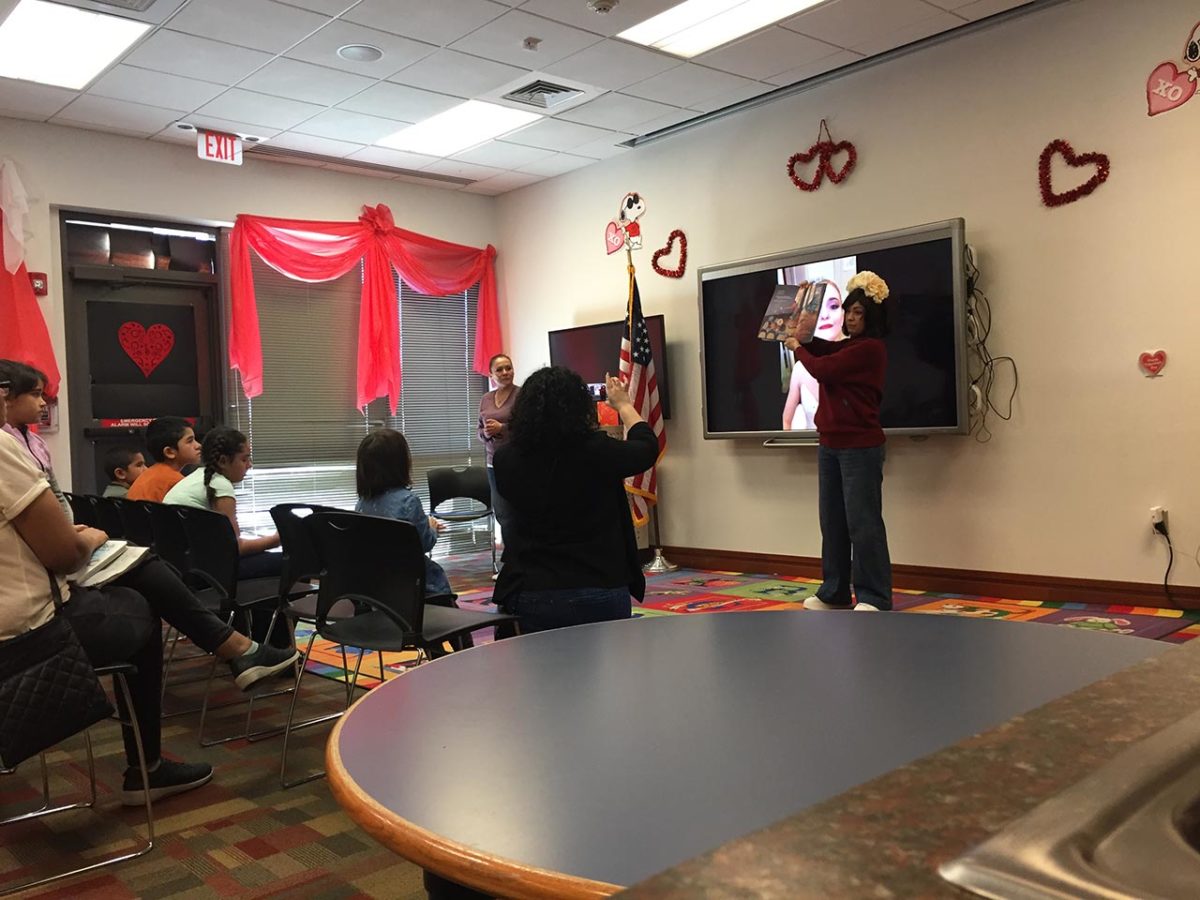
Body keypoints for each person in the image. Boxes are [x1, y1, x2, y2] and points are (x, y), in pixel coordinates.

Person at [0, 379, 295, 805]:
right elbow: (63, 555)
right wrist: (89, 537)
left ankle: (234, 647)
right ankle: (148, 765)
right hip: (26, 633)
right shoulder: (5, 450)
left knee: (140, 572)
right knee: (140, 604)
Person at [492, 367, 660, 633]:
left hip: (529, 586)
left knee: (536, 660)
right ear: (580, 407)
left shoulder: (505, 459)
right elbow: (647, 447)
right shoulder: (598, 451)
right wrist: (624, 406)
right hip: (598, 582)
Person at [788, 272, 893, 612]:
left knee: (863, 523)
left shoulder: (871, 349)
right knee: (832, 522)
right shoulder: (848, 346)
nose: (850, 318)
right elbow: (817, 347)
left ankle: (874, 596)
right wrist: (802, 312)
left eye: (858, 312)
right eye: (848, 311)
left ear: (871, 316)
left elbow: (823, 368)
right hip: (830, 444)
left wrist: (798, 348)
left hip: (860, 447)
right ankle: (834, 592)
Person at [164, 426, 283, 581]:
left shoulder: (195, 478)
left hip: (181, 569)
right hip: (206, 574)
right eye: (244, 459)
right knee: (290, 561)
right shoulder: (220, 485)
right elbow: (235, 548)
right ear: (223, 461)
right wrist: (276, 539)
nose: (249, 465)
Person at [354, 428, 453, 600]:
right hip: (414, 583)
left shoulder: (361, 504)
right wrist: (432, 528)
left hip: (376, 584)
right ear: (400, 464)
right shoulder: (408, 501)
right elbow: (424, 544)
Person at [782, 281, 845, 431]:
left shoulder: (855, 359)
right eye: (815, 309)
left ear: (844, 313)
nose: (824, 315)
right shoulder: (800, 369)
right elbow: (786, 422)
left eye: (833, 306)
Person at [477, 353, 519, 557]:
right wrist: (486, 433)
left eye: (508, 368)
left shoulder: (522, 395)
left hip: (517, 461)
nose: (505, 373)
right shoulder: (486, 399)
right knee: (502, 512)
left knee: (517, 510)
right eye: (499, 370)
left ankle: (517, 555)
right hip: (493, 462)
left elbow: (528, 427)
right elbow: (479, 430)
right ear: (491, 374)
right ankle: (510, 556)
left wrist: (502, 428)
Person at [126, 416, 201, 502]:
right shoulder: (174, 481)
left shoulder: (150, 474)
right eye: (190, 441)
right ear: (169, 452)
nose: (198, 445)